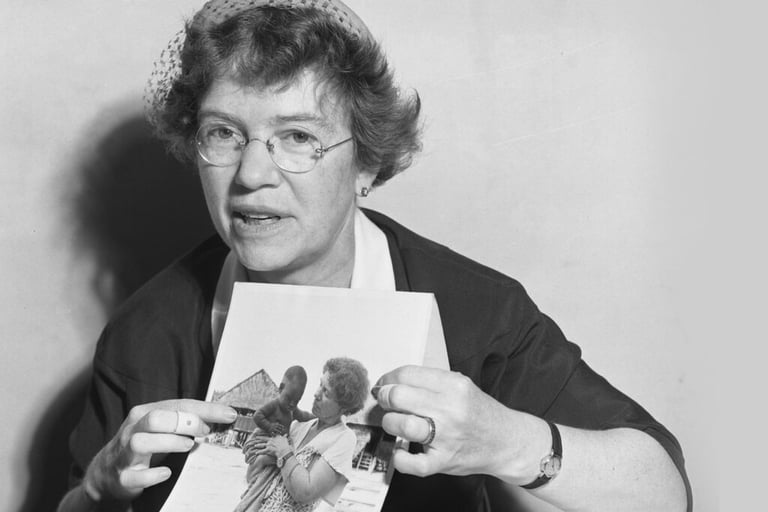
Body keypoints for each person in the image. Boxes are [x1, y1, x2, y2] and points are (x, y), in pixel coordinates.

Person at [57, 1, 691, 511]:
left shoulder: (476, 311)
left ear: (365, 164)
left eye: (297, 137)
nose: (250, 174)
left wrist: (507, 442)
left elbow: (663, 493)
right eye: (224, 133)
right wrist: (98, 491)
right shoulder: (147, 333)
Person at [235, 357, 369, 512]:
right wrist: (263, 459)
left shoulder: (343, 438)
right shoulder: (297, 427)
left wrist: (283, 452)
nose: (316, 394)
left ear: (343, 407)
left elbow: (306, 493)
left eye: (326, 392)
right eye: (320, 384)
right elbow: (252, 477)